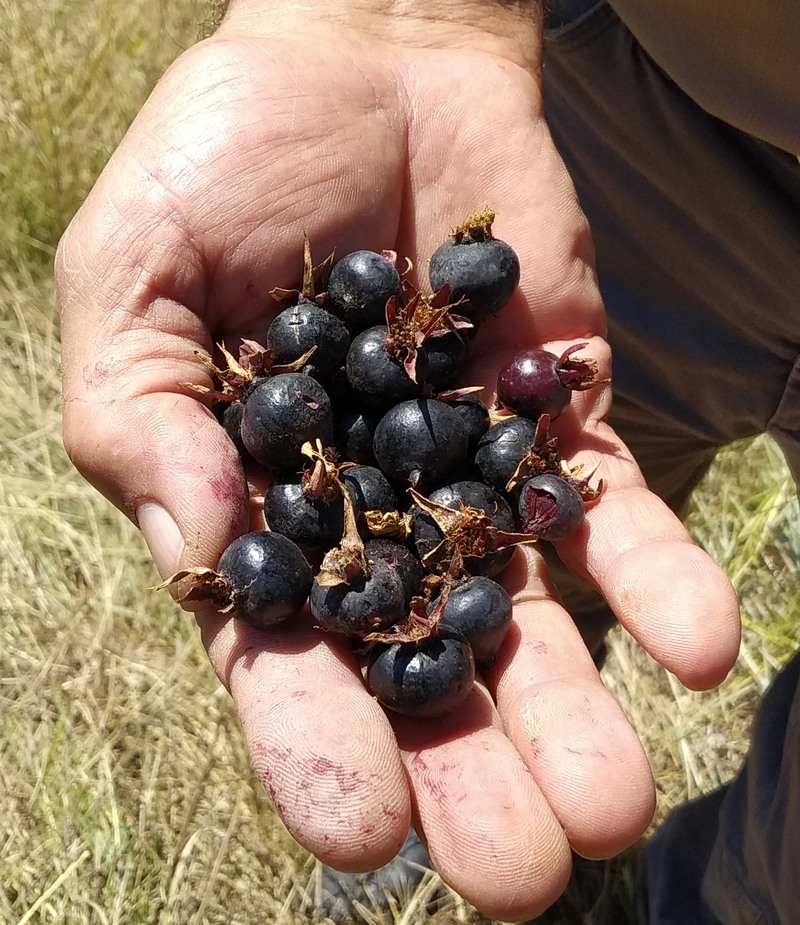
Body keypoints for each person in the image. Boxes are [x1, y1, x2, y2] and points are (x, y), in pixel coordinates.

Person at [56, 0, 799, 921]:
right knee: (568, 530)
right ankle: (436, 811)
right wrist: (377, 17)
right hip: (640, 88)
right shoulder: (396, 394)